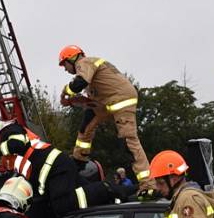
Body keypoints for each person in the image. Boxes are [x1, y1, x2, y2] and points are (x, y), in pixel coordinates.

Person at [0, 117, 129, 218]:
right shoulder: (7, 144)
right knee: (85, 195)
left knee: (62, 205)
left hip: (55, 166)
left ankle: (106, 188)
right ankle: (121, 196)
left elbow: (18, 144)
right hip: (55, 167)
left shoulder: (9, 130)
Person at [57, 45, 155, 199]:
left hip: (120, 100)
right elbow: (90, 97)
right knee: (86, 124)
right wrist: (74, 102)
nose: (65, 69)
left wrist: (65, 92)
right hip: (107, 102)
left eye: (64, 64)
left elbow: (78, 83)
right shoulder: (91, 70)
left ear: (72, 58)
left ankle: (149, 185)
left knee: (129, 142)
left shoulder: (84, 62)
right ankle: (79, 159)